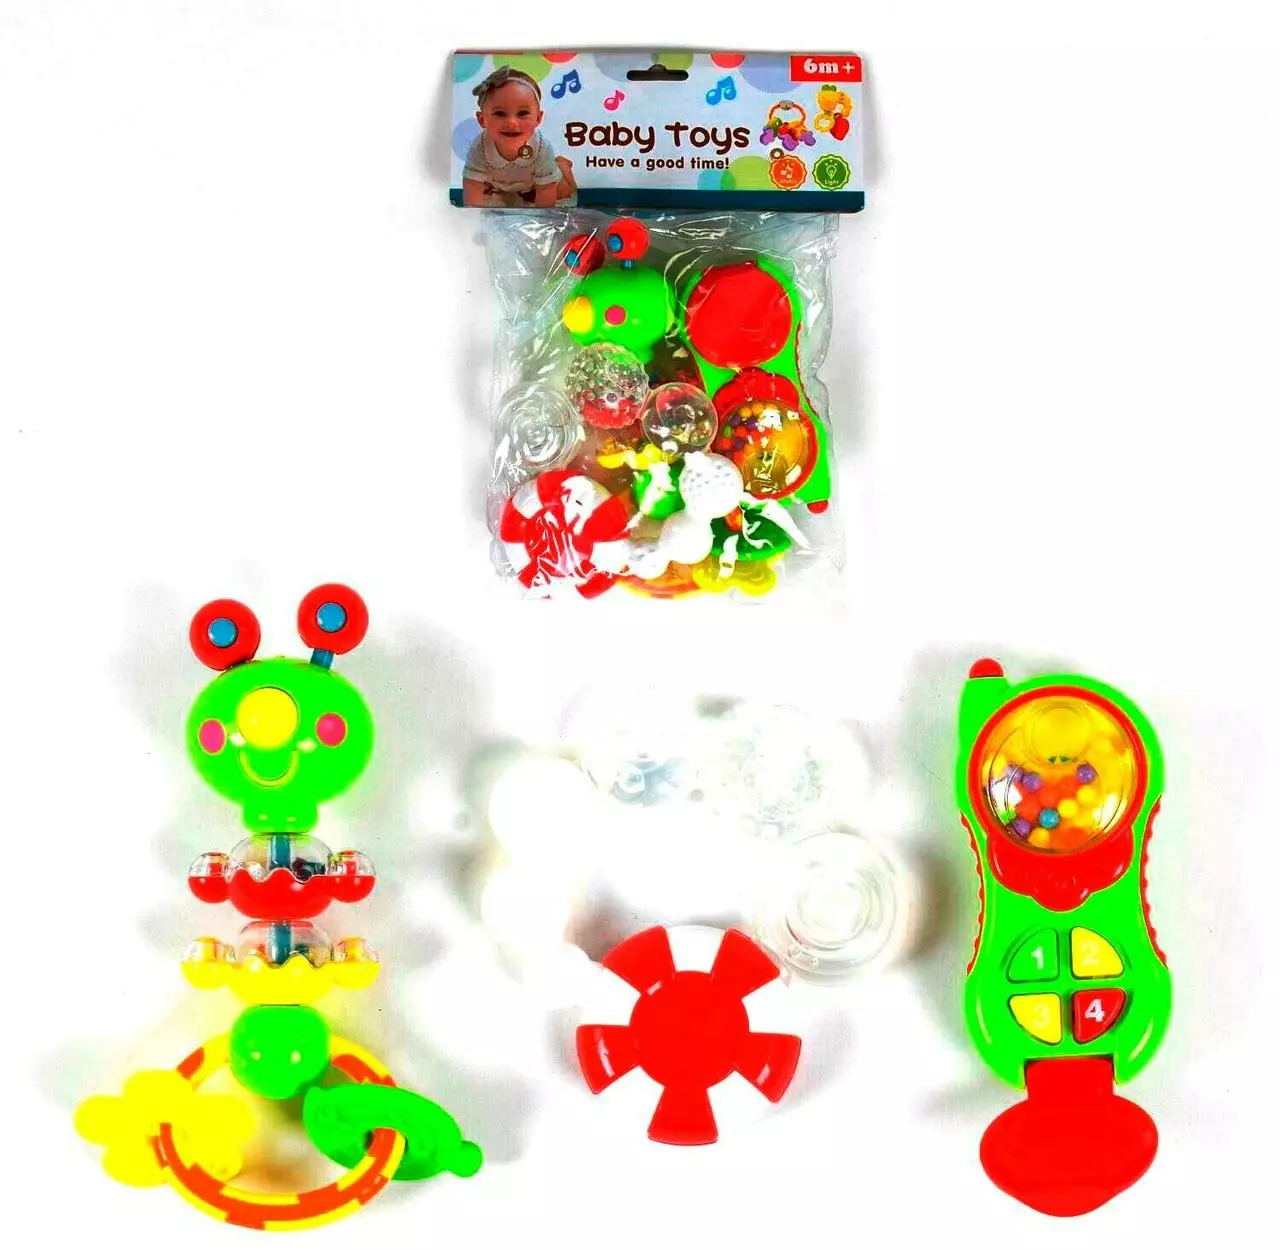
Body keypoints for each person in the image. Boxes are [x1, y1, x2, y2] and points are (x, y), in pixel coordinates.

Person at [463, 67, 577, 207]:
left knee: (564, 192)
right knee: (489, 198)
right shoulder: (479, 148)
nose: (511, 122)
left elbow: (546, 191)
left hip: (534, 183)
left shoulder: (541, 148)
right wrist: (474, 215)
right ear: (482, 120)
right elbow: (472, 186)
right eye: (499, 113)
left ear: (538, 118)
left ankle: (563, 165)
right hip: (499, 183)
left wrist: (540, 217)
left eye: (522, 113)